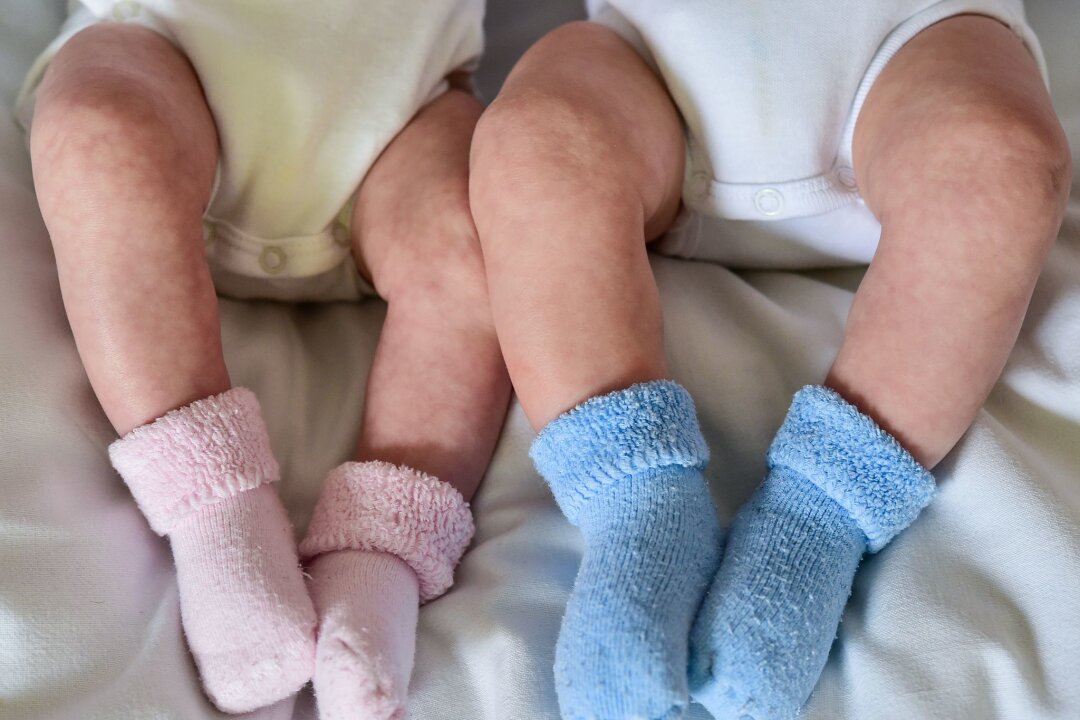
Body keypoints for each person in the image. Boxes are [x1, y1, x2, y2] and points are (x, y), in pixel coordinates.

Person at [467, 2, 1072, 718]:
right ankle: (637, 495)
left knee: (1000, 161)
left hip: (912, 46)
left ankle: (819, 515)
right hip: (651, 67)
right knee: (531, 141)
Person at [16, 1, 509, 717]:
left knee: (488, 224)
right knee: (97, 131)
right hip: (163, 52)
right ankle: (219, 513)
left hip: (405, 106)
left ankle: (378, 559)